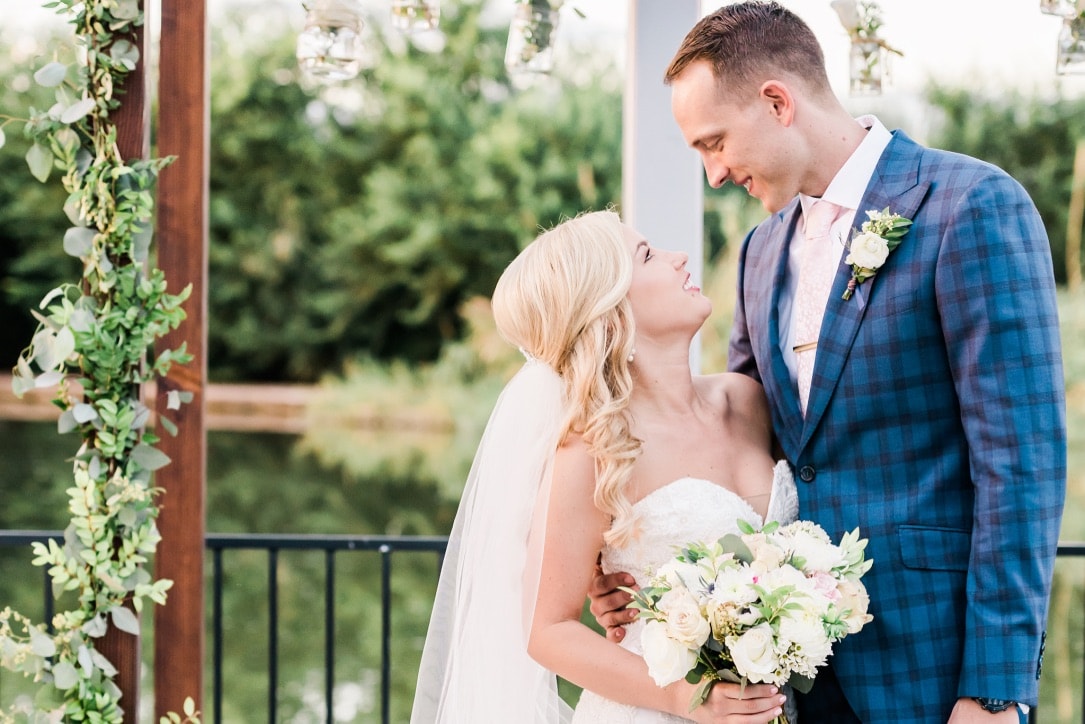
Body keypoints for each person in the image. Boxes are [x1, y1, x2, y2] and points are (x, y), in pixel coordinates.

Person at [588, 4, 1067, 724]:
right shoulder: (758, 253)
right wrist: (649, 573)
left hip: (934, 669)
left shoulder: (969, 205)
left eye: (714, 142)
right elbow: (738, 446)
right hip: (783, 672)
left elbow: (1019, 463)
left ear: (776, 101)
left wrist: (995, 690)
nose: (714, 174)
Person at [410, 209, 796, 723]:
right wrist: (685, 698)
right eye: (648, 256)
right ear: (614, 314)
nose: (678, 257)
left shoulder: (744, 400)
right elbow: (546, 631)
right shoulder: (594, 452)